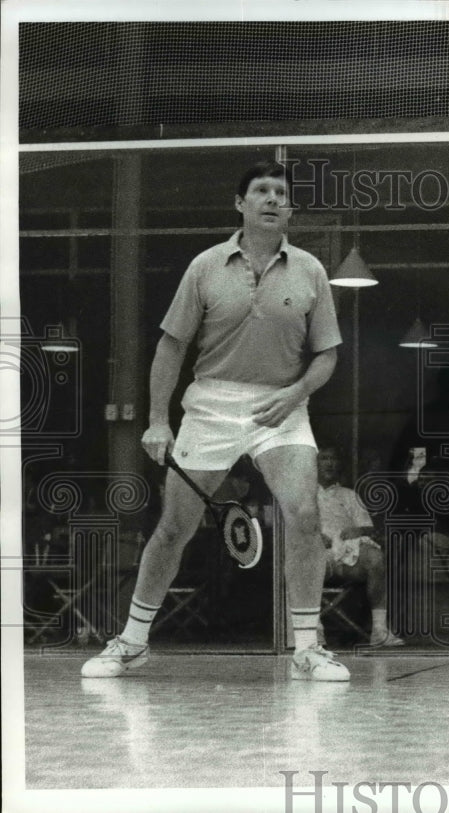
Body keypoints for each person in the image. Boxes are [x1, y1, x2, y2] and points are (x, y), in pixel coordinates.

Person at [83, 161, 349, 681]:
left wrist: (294, 393)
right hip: (209, 406)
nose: (273, 199)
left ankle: (308, 649)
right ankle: (133, 642)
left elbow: (327, 357)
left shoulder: (312, 271)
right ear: (241, 204)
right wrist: (159, 419)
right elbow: (171, 345)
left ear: (290, 209)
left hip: (282, 407)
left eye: (281, 194)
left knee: (305, 515)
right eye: (261, 191)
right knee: (173, 529)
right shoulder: (204, 266)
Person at [314, 446, 403, 648]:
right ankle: (313, 633)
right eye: (324, 458)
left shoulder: (349, 495)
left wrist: (359, 531)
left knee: (376, 558)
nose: (329, 463)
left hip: (346, 555)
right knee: (304, 555)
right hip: (317, 555)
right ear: (315, 464)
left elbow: (368, 529)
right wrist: (313, 536)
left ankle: (379, 630)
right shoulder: (305, 494)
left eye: (333, 458)